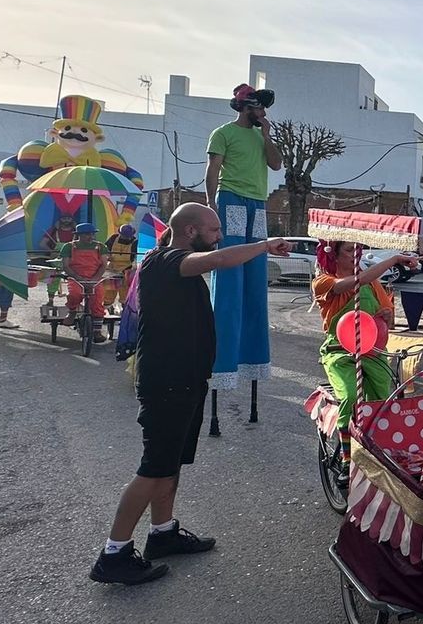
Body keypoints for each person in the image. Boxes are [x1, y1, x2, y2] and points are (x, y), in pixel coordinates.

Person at [89, 203, 292, 585]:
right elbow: (218, 260)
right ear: (190, 231)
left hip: (185, 380)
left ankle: (162, 532)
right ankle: (113, 553)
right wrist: (264, 246)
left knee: (170, 464)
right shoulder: (165, 260)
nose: (219, 236)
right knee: (153, 468)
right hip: (166, 382)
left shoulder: (176, 263)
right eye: (214, 230)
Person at [204, 84, 283, 391]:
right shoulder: (223, 133)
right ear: (247, 108)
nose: (264, 113)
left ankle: (252, 360)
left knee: (254, 274)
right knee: (230, 274)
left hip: (257, 203)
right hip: (231, 199)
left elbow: (275, 164)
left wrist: (267, 135)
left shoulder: (261, 136)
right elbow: (213, 169)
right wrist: (211, 206)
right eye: (260, 108)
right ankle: (222, 358)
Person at [312, 241, 417, 409]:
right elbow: (358, 281)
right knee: (350, 396)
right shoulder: (322, 282)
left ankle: (374, 426)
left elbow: (388, 320)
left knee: (382, 403)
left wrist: (385, 316)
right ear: (334, 255)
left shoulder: (372, 283)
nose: (356, 253)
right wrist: (394, 259)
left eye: (358, 249)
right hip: (340, 351)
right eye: (349, 250)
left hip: (374, 351)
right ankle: (345, 425)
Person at [58, 222, 110, 336]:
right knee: (74, 294)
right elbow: (66, 266)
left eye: (92, 234)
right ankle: (72, 311)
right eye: (87, 234)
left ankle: (97, 332)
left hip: (95, 278)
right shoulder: (68, 247)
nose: (90, 236)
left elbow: (103, 265)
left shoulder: (101, 247)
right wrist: (79, 278)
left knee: (98, 299)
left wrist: (95, 279)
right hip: (75, 278)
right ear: (79, 235)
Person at [99, 223, 138, 313]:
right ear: (120, 233)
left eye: (128, 236)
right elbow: (105, 249)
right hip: (112, 268)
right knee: (109, 290)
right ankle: (107, 307)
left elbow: (135, 257)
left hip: (127, 269)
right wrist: (107, 256)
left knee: (125, 291)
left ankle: (125, 310)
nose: (126, 238)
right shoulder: (113, 238)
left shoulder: (135, 242)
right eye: (124, 236)